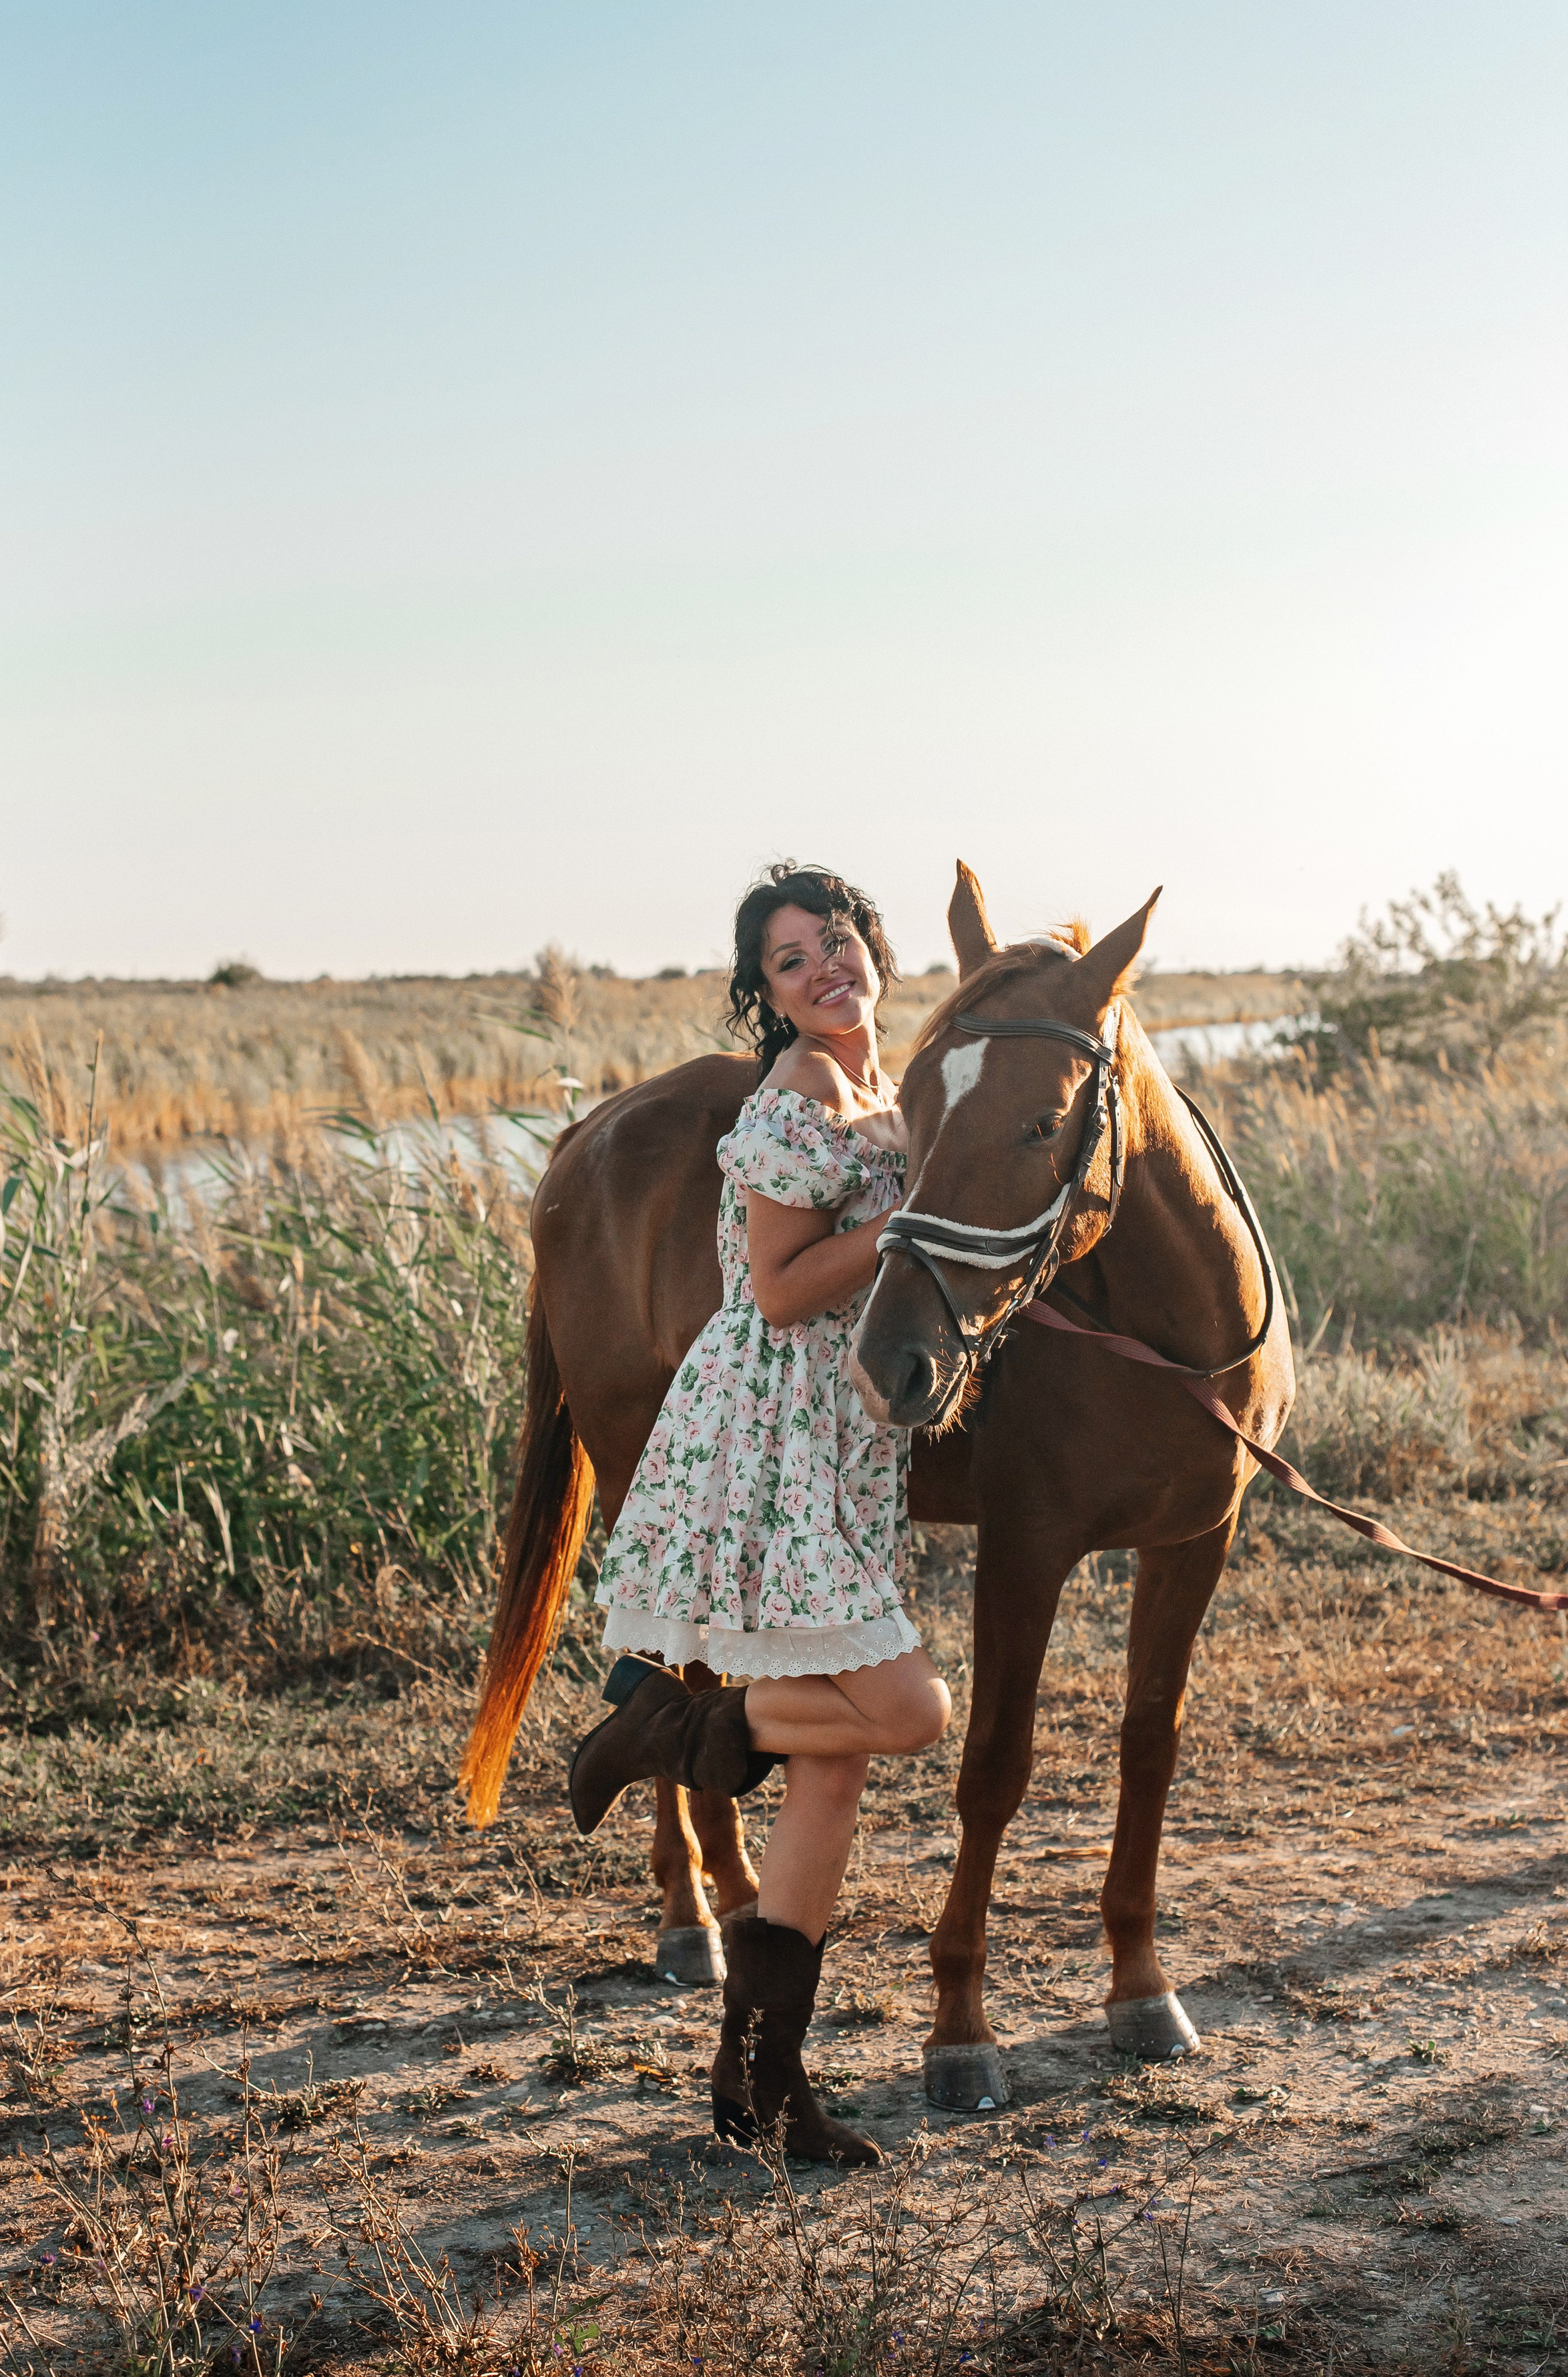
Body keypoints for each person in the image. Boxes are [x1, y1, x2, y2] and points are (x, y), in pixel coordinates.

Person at [572, 863, 951, 2166]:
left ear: (868, 947)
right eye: (791, 960)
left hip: (842, 1445)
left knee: (833, 1771)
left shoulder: (877, 1086)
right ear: (768, 993)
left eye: (835, 941)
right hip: (773, 1438)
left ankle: (758, 2090)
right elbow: (783, 1292)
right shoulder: (791, 1095)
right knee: (906, 1710)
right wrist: (905, 1224)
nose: (824, 969)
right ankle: (682, 1723)